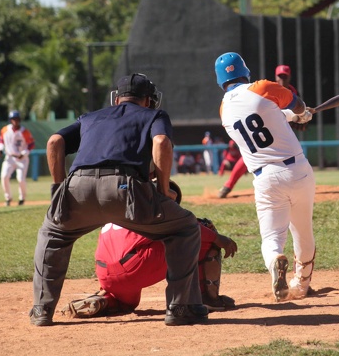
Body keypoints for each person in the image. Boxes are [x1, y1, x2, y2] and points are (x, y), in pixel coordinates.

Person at [29, 73, 207, 327]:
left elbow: (55, 141)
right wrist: (162, 190)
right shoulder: (154, 115)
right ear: (148, 99)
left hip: (78, 187)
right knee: (186, 227)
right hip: (126, 189)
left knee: (53, 235)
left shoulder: (91, 117)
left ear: (117, 98)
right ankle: (181, 307)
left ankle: (41, 310)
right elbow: (161, 142)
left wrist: (59, 191)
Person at [214, 52, 316, 302]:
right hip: (298, 170)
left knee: (271, 238)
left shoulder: (224, 109)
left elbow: (265, 115)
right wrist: (302, 114)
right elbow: (296, 105)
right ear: (245, 70)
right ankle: (301, 285)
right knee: (302, 231)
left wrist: (292, 116)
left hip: (265, 178)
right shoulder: (262, 86)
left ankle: (274, 260)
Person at [62, 186, 238, 318]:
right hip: (135, 267)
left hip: (105, 274)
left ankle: (106, 299)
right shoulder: (155, 207)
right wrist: (220, 239)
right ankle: (207, 297)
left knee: (127, 304)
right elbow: (192, 229)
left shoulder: (120, 210)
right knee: (199, 233)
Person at [0, 110, 35, 207]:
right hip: (9, 158)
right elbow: (1, 140)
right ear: (10, 120)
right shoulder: (4, 129)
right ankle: (8, 198)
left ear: (20, 120)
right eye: (13, 119)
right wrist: (0, 149)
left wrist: (24, 153)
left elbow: (31, 144)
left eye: (17, 119)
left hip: (22, 158)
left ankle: (22, 198)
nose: (15, 121)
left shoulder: (24, 131)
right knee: (4, 177)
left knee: (21, 179)